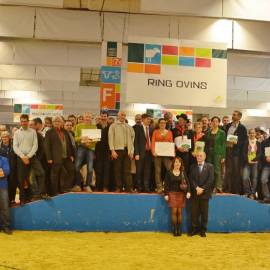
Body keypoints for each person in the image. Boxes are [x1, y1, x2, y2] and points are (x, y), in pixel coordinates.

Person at [13, 114, 47, 205]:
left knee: (41, 173)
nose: (23, 123)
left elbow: (35, 145)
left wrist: (28, 156)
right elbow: (15, 146)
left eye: (25, 121)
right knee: (21, 179)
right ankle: (23, 199)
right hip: (21, 158)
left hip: (32, 157)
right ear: (20, 122)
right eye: (22, 121)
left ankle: (39, 194)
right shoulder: (16, 133)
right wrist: (22, 156)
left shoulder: (33, 132)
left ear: (28, 121)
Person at [44, 116, 75, 196]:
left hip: (66, 157)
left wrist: (71, 155)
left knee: (71, 170)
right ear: (53, 123)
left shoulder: (65, 131)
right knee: (55, 175)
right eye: (55, 122)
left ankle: (65, 188)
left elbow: (69, 144)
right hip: (55, 157)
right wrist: (49, 158)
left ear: (61, 123)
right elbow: (46, 146)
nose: (57, 123)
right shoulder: (49, 132)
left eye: (59, 121)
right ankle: (54, 192)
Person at [189, 151, 214, 237]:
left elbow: (210, 180)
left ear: (205, 157)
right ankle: (194, 229)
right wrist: (196, 188)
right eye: (197, 156)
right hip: (195, 193)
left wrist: (202, 189)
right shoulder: (192, 167)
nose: (199, 157)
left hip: (205, 193)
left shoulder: (210, 167)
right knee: (194, 213)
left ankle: (203, 230)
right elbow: (191, 179)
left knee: (204, 213)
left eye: (201, 156)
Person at [108, 111, 134, 192]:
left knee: (127, 170)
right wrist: (112, 150)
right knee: (117, 169)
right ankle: (119, 187)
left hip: (127, 150)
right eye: (121, 115)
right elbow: (110, 138)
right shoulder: (113, 126)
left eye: (124, 115)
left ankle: (128, 188)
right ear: (118, 116)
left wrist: (131, 150)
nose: (123, 116)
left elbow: (133, 139)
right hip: (117, 150)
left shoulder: (129, 127)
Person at [164, 157, 190, 236]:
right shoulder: (169, 172)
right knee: (174, 212)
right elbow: (166, 185)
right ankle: (174, 229)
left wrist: (188, 192)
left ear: (181, 164)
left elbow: (188, 183)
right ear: (173, 163)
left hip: (181, 194)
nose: (177, 163)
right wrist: (166, 194)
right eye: (176, 162)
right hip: (172, 194)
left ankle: (179, 229)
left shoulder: (183, 172)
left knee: (180, 212)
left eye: (179, 162)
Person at [72, 112, 97, 192]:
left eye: (89, 117)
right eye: (86, 117)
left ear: (91, 118)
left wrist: (90, 142)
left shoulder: (94, 126)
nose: (87, 118)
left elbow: (96, 139)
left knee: (90, 168)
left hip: (91, 148)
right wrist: (82, 138)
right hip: (81, 147)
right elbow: (75, 138)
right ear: (83, 117)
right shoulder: (78, 126)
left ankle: (87, 185)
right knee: (76, 167)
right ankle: (78, 185)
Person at [224, 111, 247, 194]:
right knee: (228, 171)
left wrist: (235, 143)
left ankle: (236, 190)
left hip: (236, 153)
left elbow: (244, 141)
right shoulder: (228, 126)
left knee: (236, 172)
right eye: (232, 114)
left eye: (234, 115)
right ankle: (228, 189)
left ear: (239, 117)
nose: (232, 116)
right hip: (227, 151)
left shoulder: (242, 128)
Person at [204, 116, 226, 193]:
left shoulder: (222, 133)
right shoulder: (208, 132)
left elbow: (223, 145)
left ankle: (218, 186)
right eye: (213, 121)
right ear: (211, 122)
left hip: (218, 154)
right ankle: (210, 186)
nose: (215, 123)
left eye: (216, 121)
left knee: (217, 170)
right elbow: (205, 144)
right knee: (209, 170)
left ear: (219, 123)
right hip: (209, 154)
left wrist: (223, 156)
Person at [152, 118, 173, 193]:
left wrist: (172, 153)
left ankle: (170, 186)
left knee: (170, 169)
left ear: (166, 124)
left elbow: (171, 143)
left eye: (164, 123)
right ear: (158, 124)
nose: (162, 124)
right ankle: (159, 187)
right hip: (157, 154)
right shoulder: (155, 132)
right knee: (158, 171)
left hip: (167, 155)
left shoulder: (170, 132)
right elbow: (153, 142)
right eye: (161, 123)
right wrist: (153, 152)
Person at [134, 113, 153, 192]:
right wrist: (136, 153)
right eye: (147, 119)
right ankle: (139, 187)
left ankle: (146, 187)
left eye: (149, 119)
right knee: (139, 171)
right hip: (140, 153)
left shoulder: (152, 129)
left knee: (147, 171)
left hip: (149, 153)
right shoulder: (138, 128)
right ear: (143, 120)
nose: (149, 120)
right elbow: (135, 142)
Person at [242, 129, 261, 200]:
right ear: (248, 134)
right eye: (250, 133)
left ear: (255, 134)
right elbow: (243, 153)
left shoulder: (259, 143)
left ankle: (252, 194)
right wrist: (248, 160)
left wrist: (254, 160)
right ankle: (247, 192)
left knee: (254, 179)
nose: (252, 134)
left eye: (253, 133)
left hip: (255, 163)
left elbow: (260, 154)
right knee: (245, 178)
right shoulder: (245, 143)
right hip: (247, 163)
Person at [95, 111, 111, 192]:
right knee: (98, 170)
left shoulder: (110, 127)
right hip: (98, 152)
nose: (103, 118)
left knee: (107, 170)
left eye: (105, 116)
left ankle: (105, 187)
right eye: (102, 116)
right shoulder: (96, 126)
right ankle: (97, 187)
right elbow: (94, 141)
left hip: (108, 152)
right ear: (100, 117)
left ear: (107, 118)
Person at [0, 131, 17, 205]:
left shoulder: (13, 146)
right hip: (4, 171)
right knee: (5, 186)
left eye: (6, 136)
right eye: (3, 137)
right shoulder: (0, 147)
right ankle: (6, 202)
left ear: (9, 138)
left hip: (13, 168)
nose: (4, 138)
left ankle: (12, 199)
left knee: (13, 184)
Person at [0, 152, 12, 234]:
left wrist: (2, 172)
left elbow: (6, 171)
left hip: (2, 186)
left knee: (5, 207)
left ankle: (6, 227)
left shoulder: (4, 159)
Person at [260, 135, 270, 203]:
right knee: (263, 180)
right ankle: (267, 197)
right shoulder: (264, 142)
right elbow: (260, 154)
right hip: (266, 165)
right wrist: (265, 158)